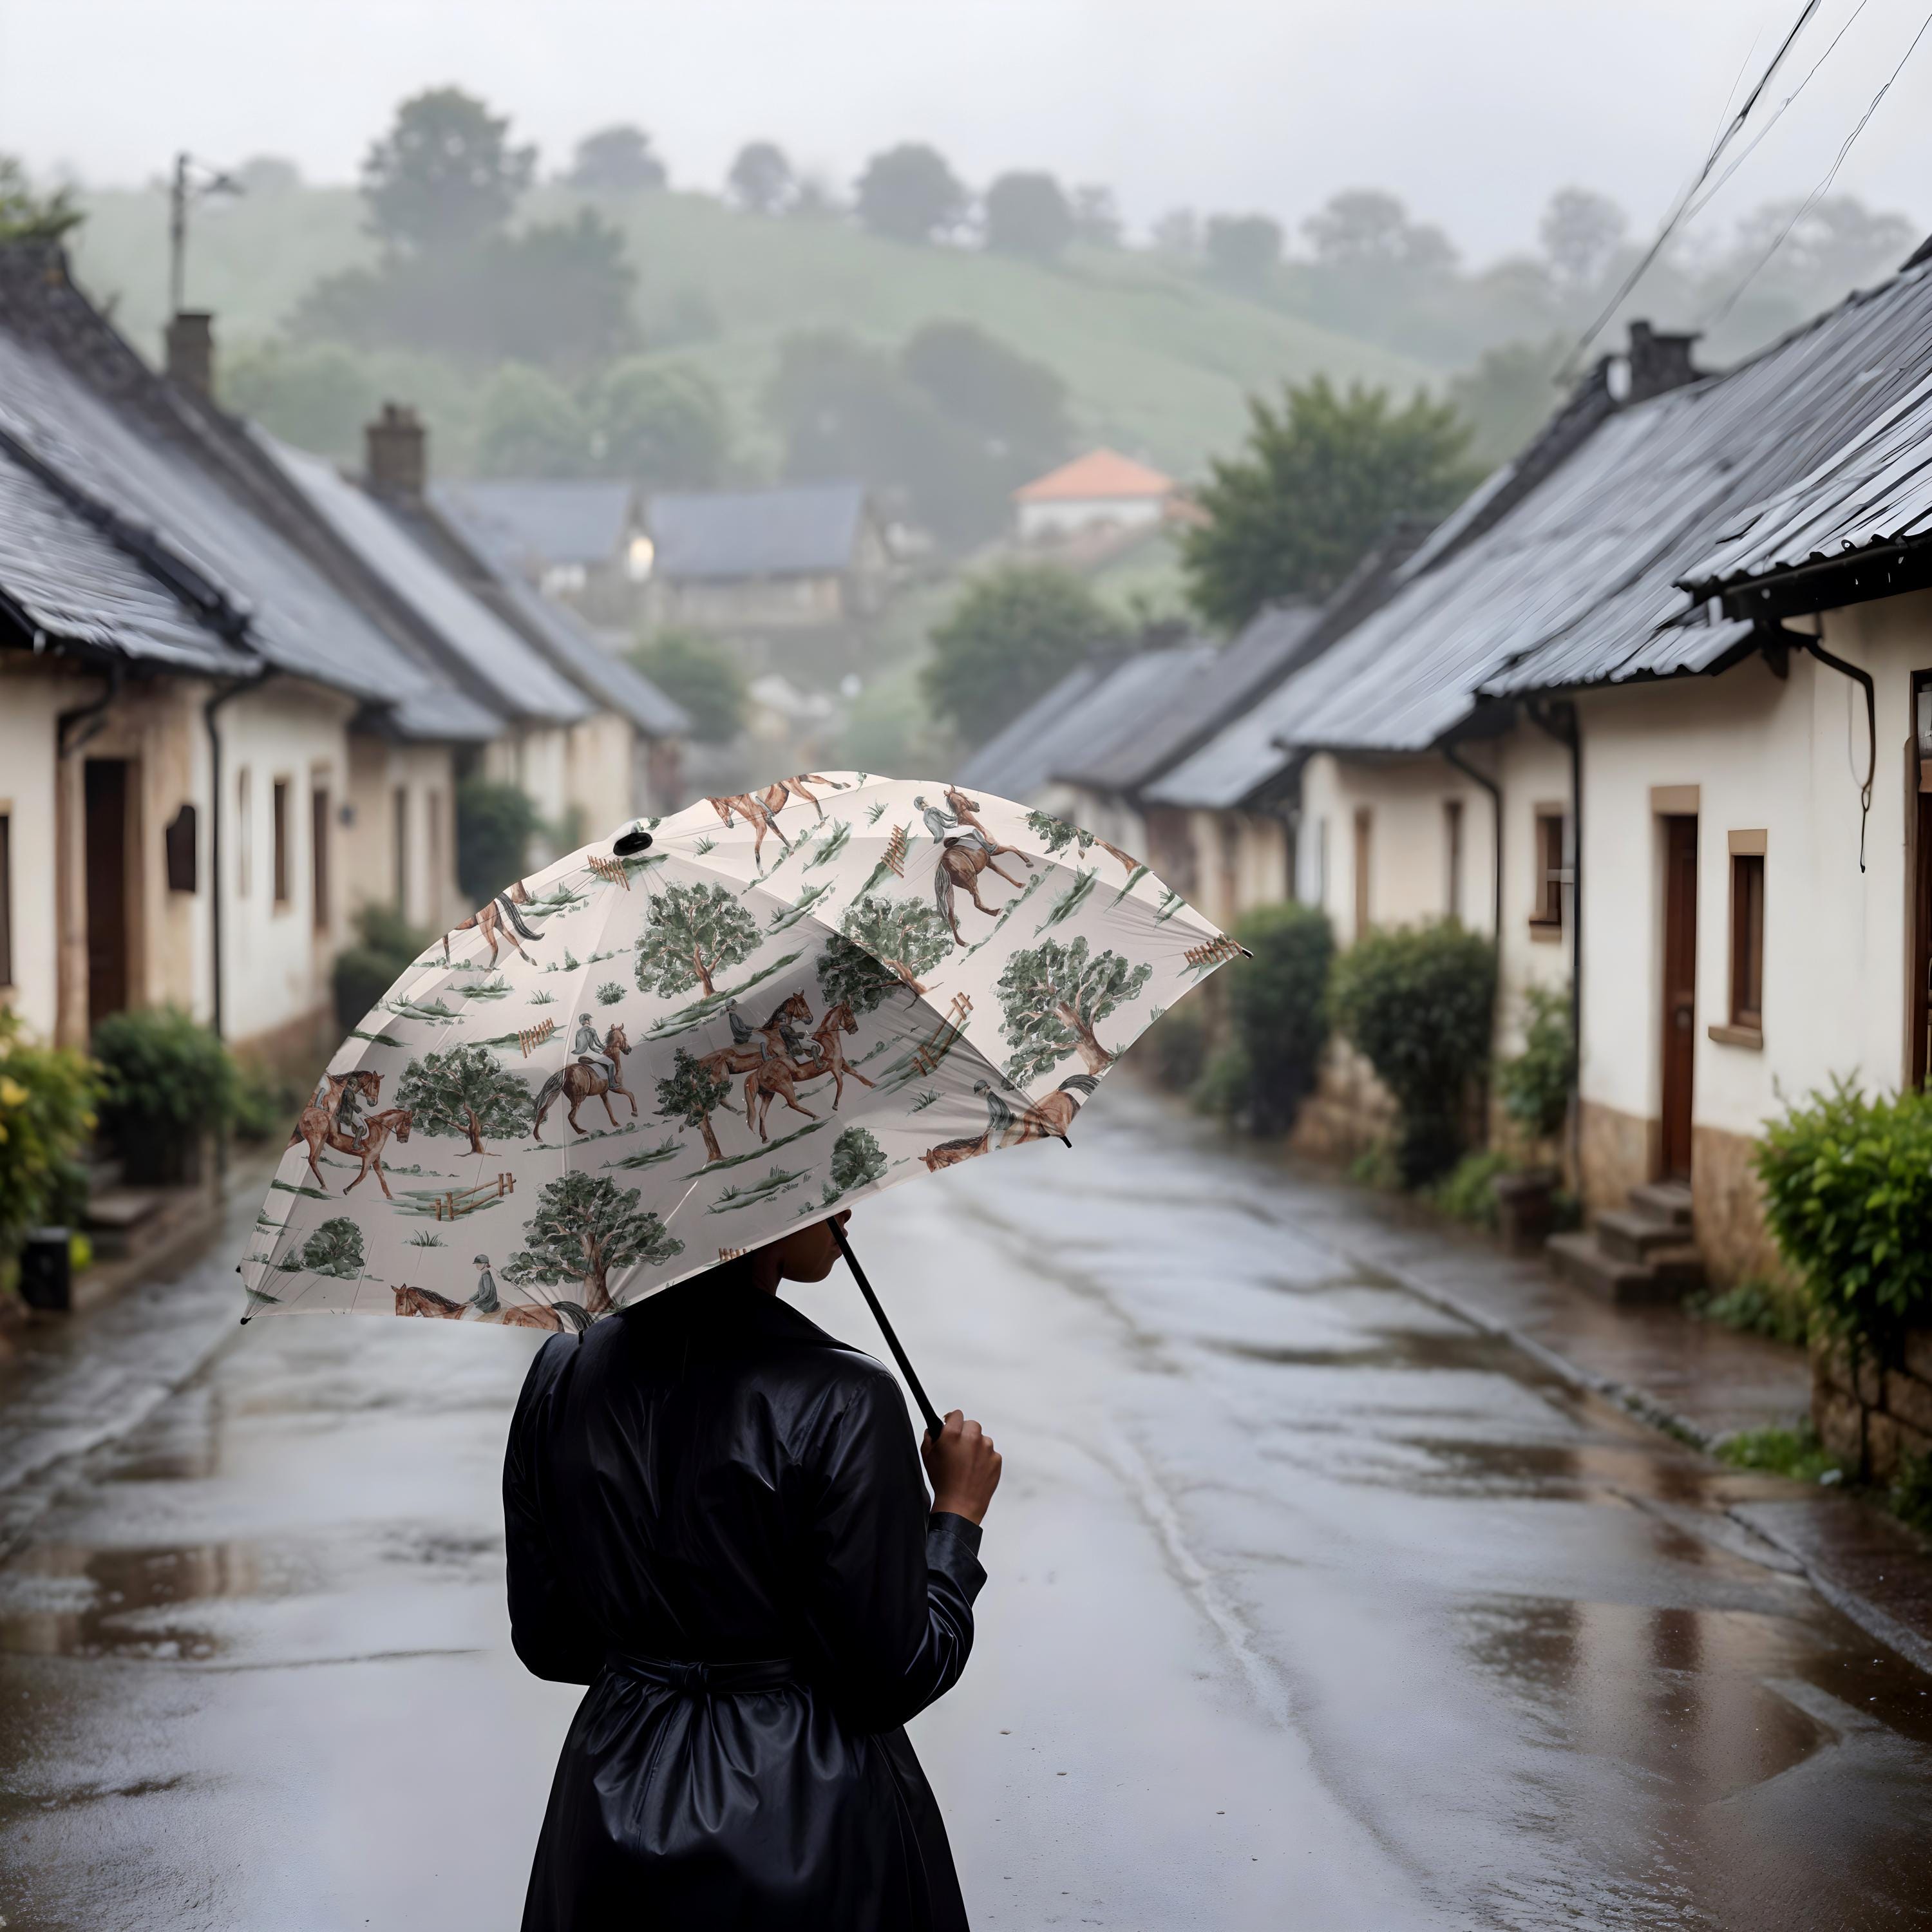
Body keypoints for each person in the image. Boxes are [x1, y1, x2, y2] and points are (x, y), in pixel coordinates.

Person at [504, 1212, 1001, 1931]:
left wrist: (658, 1647)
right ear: (748, 1212)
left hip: (607, 1804)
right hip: (807, 1820)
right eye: (816, 1187)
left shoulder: (562, 1368)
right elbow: (891, 1678)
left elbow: (552, 1642)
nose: (845, 1208)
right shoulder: (847, 1398)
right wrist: (955, 1517)